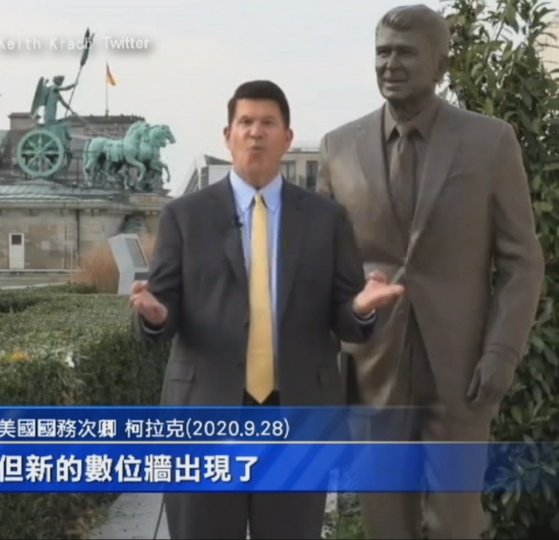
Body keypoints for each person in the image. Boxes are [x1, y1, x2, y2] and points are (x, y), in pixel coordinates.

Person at [130, 80, 405, 540]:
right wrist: (154, 314)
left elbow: (345, 316)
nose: (255, 132)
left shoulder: (326, 218)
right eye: (245, 122)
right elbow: (164, 306)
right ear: (228, 135)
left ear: (287, 137)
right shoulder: (185, 216)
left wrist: (359, 307)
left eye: (267, 123)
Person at [316, 5, 546, 539]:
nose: (390, 64)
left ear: (440, 64)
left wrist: (501, 352)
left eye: (405, 53)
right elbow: (322, 268)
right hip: (371, 367)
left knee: (456, 523)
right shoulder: (338, 147)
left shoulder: (489, 142)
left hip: (462, 369)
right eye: (382, 52)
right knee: (385, 523)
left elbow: (522, 261)